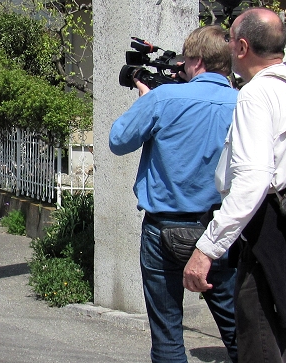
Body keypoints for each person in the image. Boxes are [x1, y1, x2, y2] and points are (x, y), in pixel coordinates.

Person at [182, 8, 286, 362]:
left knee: (263, 345)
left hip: (273, 235)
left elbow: (253, 180)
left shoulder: (257, 94)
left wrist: (206, 248)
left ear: (242, 47)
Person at [110, 26, 239, 363]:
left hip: (162, 228)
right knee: (239, 328)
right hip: (221, 228)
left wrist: (145, 102)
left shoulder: (162, 98)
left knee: (168, 332)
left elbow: (118, 140)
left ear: (195, 61)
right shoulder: (245, 102)